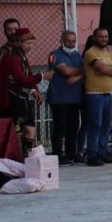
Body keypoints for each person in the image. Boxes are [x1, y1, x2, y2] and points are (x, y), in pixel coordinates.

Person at [0, 28, 49, 156]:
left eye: (31, 43)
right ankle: (15, 159)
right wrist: (42, 76)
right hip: (12, 101)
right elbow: (20, 78)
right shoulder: (12, 58)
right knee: (16, 132)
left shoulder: (22, 57)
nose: (30, 46)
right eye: (27, 43)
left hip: (23, 99)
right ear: (18, 43)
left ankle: (26, 157)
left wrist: (34, 90)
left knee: (30, 129)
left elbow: (27, 75)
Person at [83, 28, 112, 167]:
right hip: (94, 94)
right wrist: (108, 69)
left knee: (105, 125)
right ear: (95, 37)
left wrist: (108, 70)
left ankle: (102, 152)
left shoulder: (109, 54)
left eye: (106, 36)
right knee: (95, 125)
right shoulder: (91, 53)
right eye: (101, 36)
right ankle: (92, 155)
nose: (104, 39)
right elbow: (103, 69)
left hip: (107, 94)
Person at [47, 30, 84, 166]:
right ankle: (57, 155)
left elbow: (83, 72)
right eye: (68, 40)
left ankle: (71, 154)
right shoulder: (55, 54)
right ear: (62, 40)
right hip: (59, 98)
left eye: (73, 41)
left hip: (74, 98)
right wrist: (80, 70)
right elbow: (66, 71)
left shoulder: (76, 55)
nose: (71, 43)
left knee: (74, 126)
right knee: (60, 126)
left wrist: (77, 76)